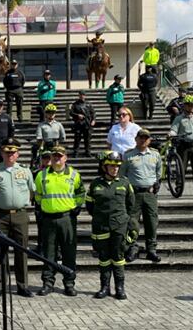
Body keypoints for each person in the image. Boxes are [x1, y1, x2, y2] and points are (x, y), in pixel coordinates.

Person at [0, 137, 34, 298]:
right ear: (2, 153)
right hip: (1, 215)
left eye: (13, 152)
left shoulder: (26, 171)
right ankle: (0, 286)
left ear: (18, 154)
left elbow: (31, 191)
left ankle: (22, 285)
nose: (10, 155)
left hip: (20, 214)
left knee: (22, 251)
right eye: (7, 152)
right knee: (0, 252)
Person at [34, 144, 84, 296]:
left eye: (59, 156)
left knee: (69, 252)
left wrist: (77, 206)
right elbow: (38, 195)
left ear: (65, 158)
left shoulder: (74, 175)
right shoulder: (41, 175)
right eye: (54, 156)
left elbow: (81, 192)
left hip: (67, 218)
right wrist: (42, 208)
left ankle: (69, 283)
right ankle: (48, 283)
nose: (56, 158)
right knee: (49, 253)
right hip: (48, 219)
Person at [87, 151, 135, 300]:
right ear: (104, 167)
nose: (115, 169)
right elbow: (90, 205)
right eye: (111, 166)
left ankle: (120, 288)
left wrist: (124, 220)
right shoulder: (95, 184)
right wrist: (100, 217)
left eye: (117, 166)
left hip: (119, 226)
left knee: (118, 257)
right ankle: (104, 287)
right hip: (101, 226)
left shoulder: (125, 183)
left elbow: (130, 204)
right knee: (104, 257)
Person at [120, 128, 162, 263]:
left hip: (149, 194)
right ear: (136, 139)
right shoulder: (129, 155)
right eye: (141, 137)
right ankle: (132, 248)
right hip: (134, 194)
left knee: (152, 222)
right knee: (132, 223)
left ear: (149, 140)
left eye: (146, 138)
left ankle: (151, 249)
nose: (143, 140)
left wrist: (156, 185)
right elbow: (122, 175)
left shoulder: (155, 155)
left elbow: (159, 172)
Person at [169, 95, 193, 196]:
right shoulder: (179, 118)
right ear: (184, 106)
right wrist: (171, 134)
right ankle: (179, 187)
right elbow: (174, 129)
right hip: (184, 146)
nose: (190, 107)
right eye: (188, 105)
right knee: (181, 168)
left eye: (192, 105)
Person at [69, 90, 95, 157]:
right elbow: (71, 113)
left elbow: (93, 113)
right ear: (79, 95)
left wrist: (93, 120)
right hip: (78, 124)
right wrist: (77, 115)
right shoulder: (75, 104)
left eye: (83, 95)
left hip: (87, 123)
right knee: (77, 139)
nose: (82, 96)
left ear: (85, 96)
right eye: (80, 95)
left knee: (87, 139)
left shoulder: (88, 104)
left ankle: (87, 152)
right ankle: (76, 152)